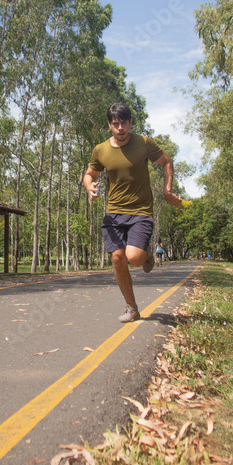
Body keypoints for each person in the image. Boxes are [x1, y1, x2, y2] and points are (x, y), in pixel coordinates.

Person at [83, 102, 182, 322]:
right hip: (113, 213)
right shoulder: (100, 150)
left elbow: (166, 161)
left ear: (130, 122)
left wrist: (167, 191)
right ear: (109, 124)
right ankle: (132, 307)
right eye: (115, 124)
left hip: (140, 210)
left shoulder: (144, 143)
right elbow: (90, 174)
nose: (120, 128)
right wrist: (88, 186)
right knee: (118, 259)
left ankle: (144, 253)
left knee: (134, 258)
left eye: (124, 123)